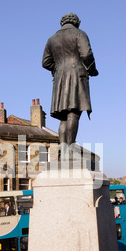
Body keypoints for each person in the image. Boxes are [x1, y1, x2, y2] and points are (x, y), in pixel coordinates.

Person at [42, 13, 98, 158]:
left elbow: (45, 62)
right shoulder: (80, 34)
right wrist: (92, 70)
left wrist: (59, 68)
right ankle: (71, 148)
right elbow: (86, 54)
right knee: (74, 112)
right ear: (77, 22)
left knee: (63, 117)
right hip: (76, 75)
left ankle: (63, 149)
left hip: (60, 78)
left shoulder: (52, 39)